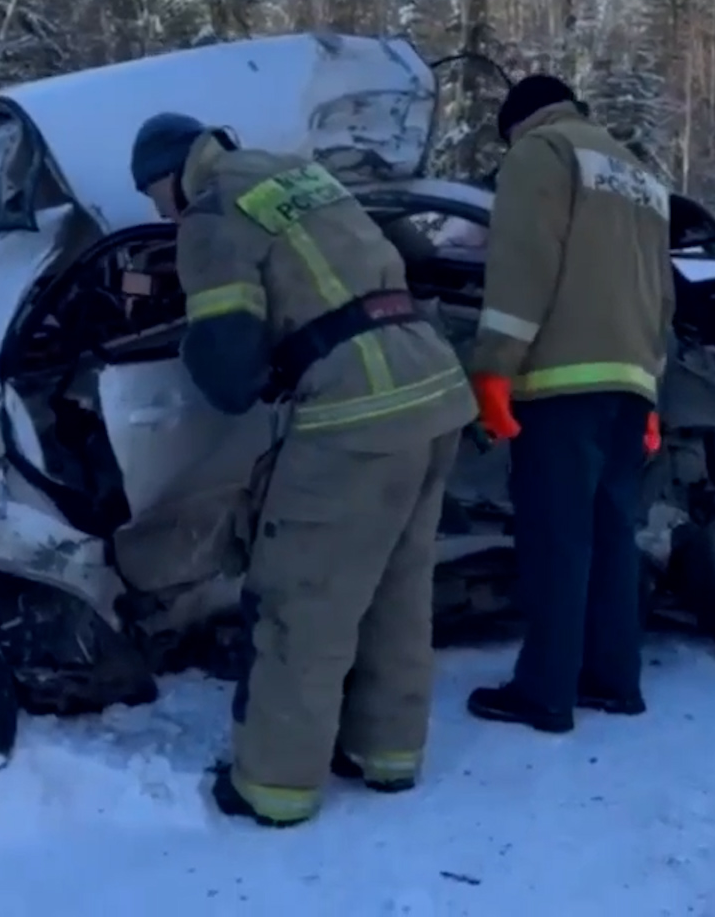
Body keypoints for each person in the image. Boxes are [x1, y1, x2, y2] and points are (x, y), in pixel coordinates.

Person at [127, 112, 477, 827]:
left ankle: (273, 786)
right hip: (434, 385)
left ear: (168, 175)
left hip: (357, 406)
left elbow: (228, 375)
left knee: (300, 598)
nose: (157, 213)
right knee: (396, 587)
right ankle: (388, 756)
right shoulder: (298, 174)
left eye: (151, 197)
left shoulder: (212, 213)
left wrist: (193, 335)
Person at [462, 75, 675, 735]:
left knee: (557, 539)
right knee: (612, 535)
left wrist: (493, 369)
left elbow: (523, 268)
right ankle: (613, 680)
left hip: (559, 382)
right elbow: (662, 296)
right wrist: (651, 395)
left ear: (518, 123)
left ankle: (545, 693)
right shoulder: (639, 174)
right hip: (630, 382)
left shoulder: (540, 153)